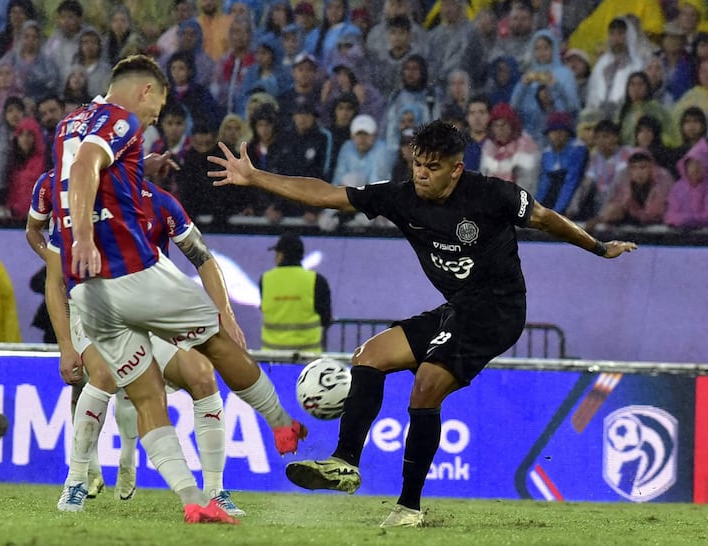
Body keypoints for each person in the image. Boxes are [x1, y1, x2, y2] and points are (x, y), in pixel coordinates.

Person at [208, 119, 637, 527]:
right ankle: (344, 462)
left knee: (427, 382)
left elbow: (544, 217)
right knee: (370, 355)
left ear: (457, 169)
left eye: (433, 167)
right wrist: (257, 177)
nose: (422, 174)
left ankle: (408, 506)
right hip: (458, 307)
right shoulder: (400, 196)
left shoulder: (492, 195)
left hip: (499, 311)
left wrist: (599, 247)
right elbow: (327, 195)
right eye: (417, 164)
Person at [54, 54, 305, 524]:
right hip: (132, 271)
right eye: (158, 109)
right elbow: (91, 161)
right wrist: (87, 234)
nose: (153, 120)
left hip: (88, 292)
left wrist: (136, 166)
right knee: (215, 342)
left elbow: (84, 164)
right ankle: (281, 424)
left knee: (148, 395)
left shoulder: (71, 122)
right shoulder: (122, 118)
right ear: (146, 91)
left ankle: (195, 500)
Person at [259, 232, 332, 352]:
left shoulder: (265, 279)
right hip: (307, 357)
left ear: (281, 255)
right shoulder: (316, 280)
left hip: (272, 357)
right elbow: (326, 318)